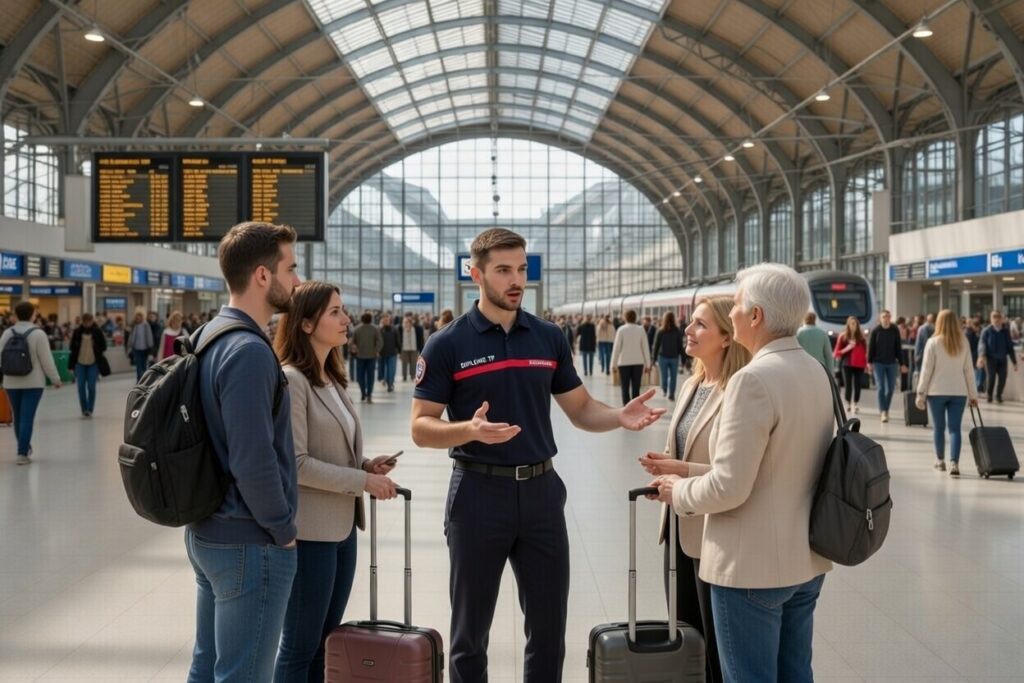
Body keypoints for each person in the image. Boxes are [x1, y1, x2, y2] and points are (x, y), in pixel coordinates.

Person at [410, 228, 664, 683]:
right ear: (475, 275)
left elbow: (581, 409)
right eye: (503, 270)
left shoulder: (547, 337)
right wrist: (468, 430)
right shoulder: (447, 343)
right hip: (477, 494)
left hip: (542, 494)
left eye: (521, 269)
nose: (516, 280)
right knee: (470, 634)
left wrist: (617, 416)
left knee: (548, 631)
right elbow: (420, 427)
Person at [649, 263, 834, 683]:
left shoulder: (751, 380)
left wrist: (678, 490)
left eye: (735, 304)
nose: (731, 312)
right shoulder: (815, 371)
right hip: (805, 561)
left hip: (751, 569)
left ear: (756, 316)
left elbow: (729, 487)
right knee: (795, 674)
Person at [184, 221, 302, 683]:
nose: (296, 280)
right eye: (290, 269)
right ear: (262, 276)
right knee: (244, 675)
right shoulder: (249, 351)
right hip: (249, 540)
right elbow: (253, 458)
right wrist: (282, 530)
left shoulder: (209, 334)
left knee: (207, 667)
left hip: (209, 528)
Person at [272, 281, 399, 682]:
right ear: (306, 324)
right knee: (299, 646)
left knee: (324, 644)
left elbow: (330, 449)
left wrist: (365, 464)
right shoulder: (292, 380)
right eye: (335, 312)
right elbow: (296, 463)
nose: (346, 319)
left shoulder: (330, 377)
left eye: (343, 310)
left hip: (341, 528)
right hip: (311, 532)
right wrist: (362, 480)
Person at [638, 295, 751, 683]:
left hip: (713, 533)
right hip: (677, 527)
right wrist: (665, 469)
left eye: (700, 324)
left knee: (715, 647)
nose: (688, 329)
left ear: (726, 337)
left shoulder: (738, 391)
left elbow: (735, 474)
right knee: (685, 638)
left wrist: (681, 474)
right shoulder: (692, 384)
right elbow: (684, 449)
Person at [916, 309, 978, 477]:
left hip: (936, 392)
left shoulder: (933, 342)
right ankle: (954, 463)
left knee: (939, 428)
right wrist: (973, 395)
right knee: (955, 429)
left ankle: (940, 460)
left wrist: (920, 394)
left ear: (939, 323)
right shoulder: (963, 342)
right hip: (959, 391)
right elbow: (969, 371)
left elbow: (926, 371)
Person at [0, 300, 61, 464]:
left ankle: (24, 448)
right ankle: (22, 453)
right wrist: (55, 379)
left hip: (11, 382)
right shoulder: (38, 334)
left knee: (18, 416)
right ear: (33, 315)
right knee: (27, 417)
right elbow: (46, 360)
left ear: (15, 315)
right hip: (33, 383)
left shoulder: (7, 333)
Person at [867, 309, 905, 423]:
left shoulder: (894, 330)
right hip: (878, 363)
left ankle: (886, 409)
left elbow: (898, 347)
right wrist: (869, 362)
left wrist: (902, 363)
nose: (886, 319)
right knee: (881, 387)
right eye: (884, 317)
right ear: (880, 318)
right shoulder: (876, 331)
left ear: (890, 318)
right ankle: (883, 411)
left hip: (892, 363)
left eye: (888, 317)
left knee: (891, 388)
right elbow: (871, 347)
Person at [67, 313, 107, 418]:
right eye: (85, 322)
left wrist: (96, 346)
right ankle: (84, 409)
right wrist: (70, 366)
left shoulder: (97, 331)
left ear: (92, 321)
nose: (87, 324)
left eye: (89, 321)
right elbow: (72, 350)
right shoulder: (77, 332)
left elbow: (104, 347)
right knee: (80, 387)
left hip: (93, 363)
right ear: (82, 321)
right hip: (80, 363)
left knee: (91, 387)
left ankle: (90, 409)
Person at [611, 309, 652, 406]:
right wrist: (648, 364)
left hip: (623, 363)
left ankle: (626, 407)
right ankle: (635, 407)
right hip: (638, 363)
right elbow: (645, 348)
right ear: (635, 318)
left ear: (625, 317)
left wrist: (613, 364)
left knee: (624, 387)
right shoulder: (641, 330)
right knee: (636, 388)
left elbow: (616, 349)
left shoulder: (621, 330)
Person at [978, 310, 1018, 403]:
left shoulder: (1005, 331)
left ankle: (998, 395)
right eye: (994, 317)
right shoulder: (986, 331)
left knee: (1003, 378)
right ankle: (989, 395)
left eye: (998, 318)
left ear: (1001, 319)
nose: (996, 320)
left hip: (1002, 360)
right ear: (991, 319)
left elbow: (1010, 347)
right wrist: (981, 356)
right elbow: (982, 344)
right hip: (991, 360)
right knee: (991, 378)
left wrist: (1014, 362)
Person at [833, 315, 867, 413]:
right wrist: (847, 348)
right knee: (848, 385)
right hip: (847, 364)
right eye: (852, 324)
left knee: (858, 385)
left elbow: (865, 352)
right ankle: (848, 403)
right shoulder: (843, 336)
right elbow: (835, 353)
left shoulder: (861, 338)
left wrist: (866, 364)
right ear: (848, 325)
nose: (853, 326)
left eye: (855, 324)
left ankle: (856, 404)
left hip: (859, 365)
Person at [652, 311, 685, 400]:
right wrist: (683, 358)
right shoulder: (677, 331)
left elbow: (656, 345)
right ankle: (672, 394)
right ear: (673, 319)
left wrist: (653, 359)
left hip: (662, 357)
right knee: (673, 376)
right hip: (674, 357)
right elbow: (680, 345)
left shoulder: (660, 331)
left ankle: (664, 390)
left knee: (664, 375)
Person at [351, 312, 383, 403]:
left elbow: (352, 342)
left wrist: (355, 349)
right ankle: (369, 394)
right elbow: (380, 341)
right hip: (372, 356)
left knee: (360, 376)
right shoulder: (375, 329)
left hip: (360, 356)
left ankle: (363, 393)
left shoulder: (356, 329)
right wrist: (376, 350)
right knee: (370, 376)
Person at [126, 311, 154, 381]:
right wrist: (130, 346)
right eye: (136, 318)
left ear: (142, 318)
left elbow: (149, 335)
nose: (137, 319)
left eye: (139, 318)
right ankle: (139, 380)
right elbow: (131, 336)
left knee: (144, 365)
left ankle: (144, 380)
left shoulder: (146, 325)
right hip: (136, 349)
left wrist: (150, 346)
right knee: (138, 365)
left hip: (145, 349)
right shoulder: (134, 325)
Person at [378, 314, 401, 392]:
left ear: (389, 320)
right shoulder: (380, 330)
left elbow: (398, 341)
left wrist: (399, 351)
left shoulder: (394, 329)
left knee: (391, 369)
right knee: (386, 369)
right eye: (384, 320)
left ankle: (390, 384)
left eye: (387, 320)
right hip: (383, 353)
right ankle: (388, 382)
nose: (386, 321)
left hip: (392, 353)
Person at [399, 314, 425, 382]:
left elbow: (420, 340)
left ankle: (412, 376)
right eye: (406, 322)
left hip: (414, 348)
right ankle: (404, 376)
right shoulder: (401, 329)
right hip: (404, 349)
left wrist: (421, 350)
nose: (407, 324)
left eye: (409, 322)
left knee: (413, 363)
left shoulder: (416, 329)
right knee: (404, 363)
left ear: (411, 323)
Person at [964, 317, 985, 393]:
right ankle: (977, 387)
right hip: (973, 355)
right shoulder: (969, 333)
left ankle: (978, 387)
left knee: (978, 372)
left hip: (974, 355)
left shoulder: (972, 333)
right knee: (978, 372)